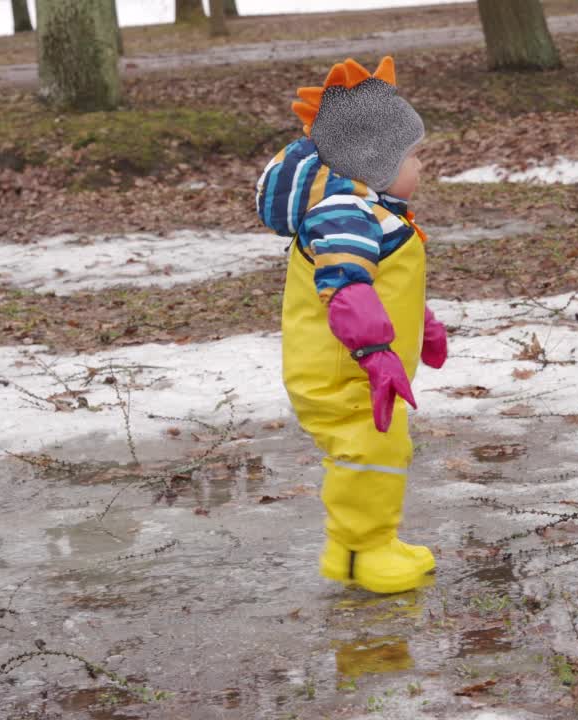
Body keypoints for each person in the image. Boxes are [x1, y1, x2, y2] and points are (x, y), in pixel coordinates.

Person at [255, 56, 447, 594]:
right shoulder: (344, 215)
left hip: (363, 365)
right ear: (373, 160)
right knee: (370, 453)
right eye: (412, 156)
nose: (420, 167)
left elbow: (386, 287)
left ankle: (362, 545)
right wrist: (375, 351)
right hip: (345, 371)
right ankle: (364, 554)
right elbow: (346, 287)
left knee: (382, 449)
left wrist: (422, 325)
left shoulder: (375, 213)